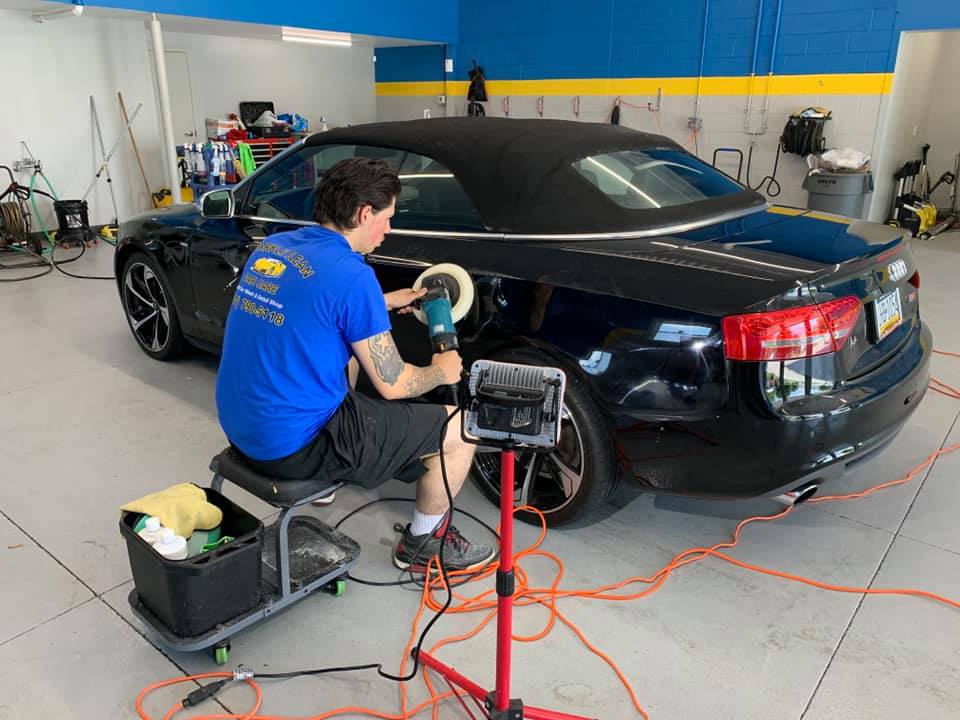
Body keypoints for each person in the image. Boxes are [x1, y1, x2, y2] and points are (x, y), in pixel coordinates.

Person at [215, 157, 494, 573]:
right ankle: (424, 545)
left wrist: (383, 303)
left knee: (343, 361)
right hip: (288, 447)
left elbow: (311, 309)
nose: (388, 230)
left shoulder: (275, 247)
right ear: (365, 213)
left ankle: (325, 488)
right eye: (387, 218)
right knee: (458, 428)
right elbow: (394, 384)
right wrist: (443, 369)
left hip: (240, 425)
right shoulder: (352, 276)